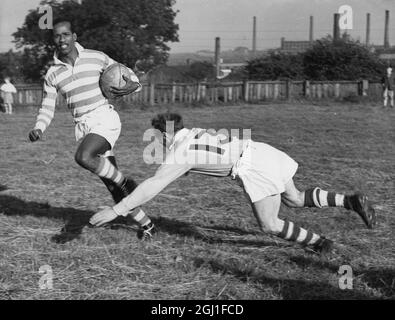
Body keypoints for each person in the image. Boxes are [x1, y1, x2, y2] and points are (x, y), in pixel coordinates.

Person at [90, 112, 376, 253]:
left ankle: (320, 244)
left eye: (157, 137)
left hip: (253, 166)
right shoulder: (193, 132)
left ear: (165, 135)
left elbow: (153, 185)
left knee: (270, 224)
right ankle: (350, 201)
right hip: (263, 151)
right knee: (296, 198)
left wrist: (116, 210)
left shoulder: (179, 151)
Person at [28, 20, 153, 236]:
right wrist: (39, 128)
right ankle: (147, 225)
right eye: (57, 36)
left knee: (84, 157)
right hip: (84, 127)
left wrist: (134, 85)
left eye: (66, 34)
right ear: (53, 40)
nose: (62, 39)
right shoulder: (52, 74)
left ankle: (124, 180)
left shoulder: (97, 57)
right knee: (114, 188)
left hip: (104, 118)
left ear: (74, 36)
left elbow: (124, 74)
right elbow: (47, 107)